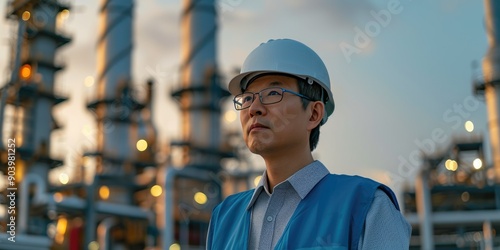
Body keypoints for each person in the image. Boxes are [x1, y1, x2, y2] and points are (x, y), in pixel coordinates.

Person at [207, 39, 411, 249]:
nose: (254, 108)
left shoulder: (367, 206)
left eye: (273, 93)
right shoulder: (224, 217)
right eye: (247, 98)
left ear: (314, 114)